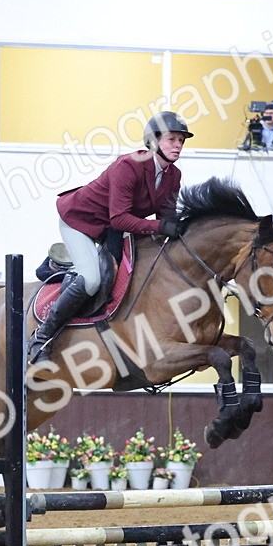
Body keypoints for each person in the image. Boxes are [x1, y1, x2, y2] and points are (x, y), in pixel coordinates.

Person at [29, 110, 193, 364]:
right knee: (92, 279)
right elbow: (121, 219)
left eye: (181, 141)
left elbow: (166, 220)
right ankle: (42, 338)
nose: (178, 145)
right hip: (80, 221)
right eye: (172, 139)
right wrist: (161, 226)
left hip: (111, 229)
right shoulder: (129, 165)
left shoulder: (174, 176)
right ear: (153, 141)